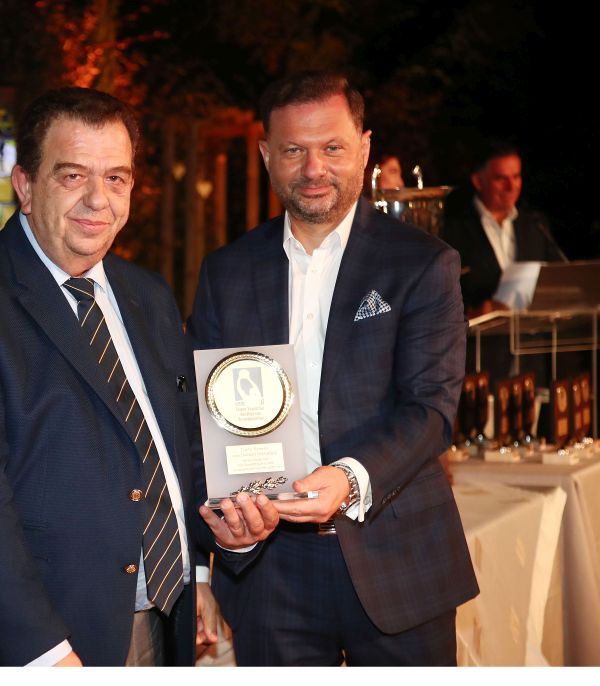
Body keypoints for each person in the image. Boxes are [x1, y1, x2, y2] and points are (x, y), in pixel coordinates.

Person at [0, 87, 244, 667]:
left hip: (162, 620)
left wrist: (198, 569)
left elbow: (178, 448)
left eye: (116, 178)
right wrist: (44, 651)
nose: (97, 199)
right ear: (26, 186)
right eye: (73, 175)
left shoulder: (149, 295)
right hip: (41, 645)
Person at [188, 71, 478, 666]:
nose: (314, 169)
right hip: (269, 570)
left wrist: (348, 478)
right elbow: (199, 419)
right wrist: (208, 550)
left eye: (332, 148)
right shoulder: (226, 271)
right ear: (267, 155)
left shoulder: (422, 264)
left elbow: (432, 409)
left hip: (398, 555)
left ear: (364, 149)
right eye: (294, 150)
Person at [440, 144, 567, 316]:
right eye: (501, 179)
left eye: (516, 177)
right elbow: (442, 294)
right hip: (480, 332)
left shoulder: (535, 224)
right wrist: (474, 312)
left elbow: (561, 277)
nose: (511, 186)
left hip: (534, 330)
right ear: (478, 181)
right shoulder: (453, 228)